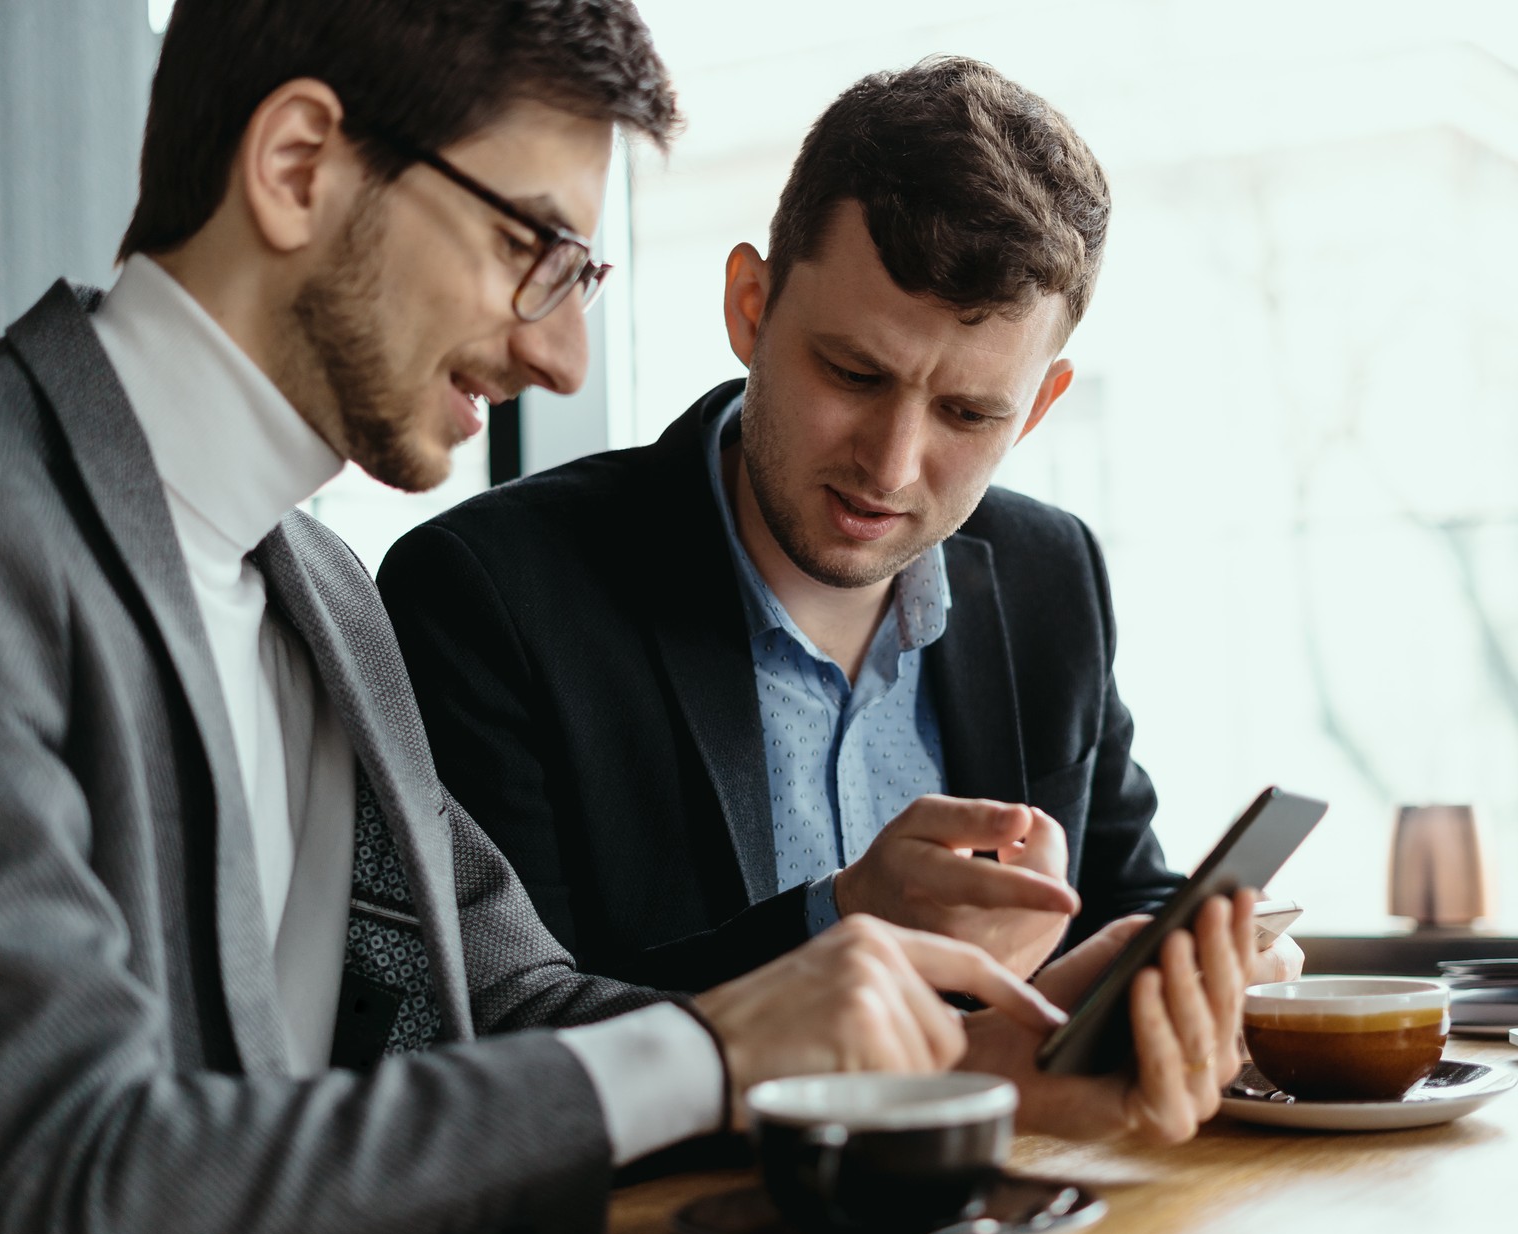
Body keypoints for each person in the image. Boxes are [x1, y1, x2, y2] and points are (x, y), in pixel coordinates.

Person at [0, 7, 1257, 1234]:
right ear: (296, 166)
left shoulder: (324, 595)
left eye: (578, 271)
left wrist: (955, 1063)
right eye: (531, 247)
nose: (563, 359)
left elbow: (507, 1003)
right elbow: (63, 1192)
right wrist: (714, 1049)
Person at [379, 57, 1305, 993]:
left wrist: (1202, 962)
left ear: (1036, 410)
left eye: (969, 414)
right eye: (856, 375)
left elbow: (1121, 899)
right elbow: (511, 1031)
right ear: (752, 307)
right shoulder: (487, 597)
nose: (892, 465)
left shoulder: (1049, 575)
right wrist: (843, 922)